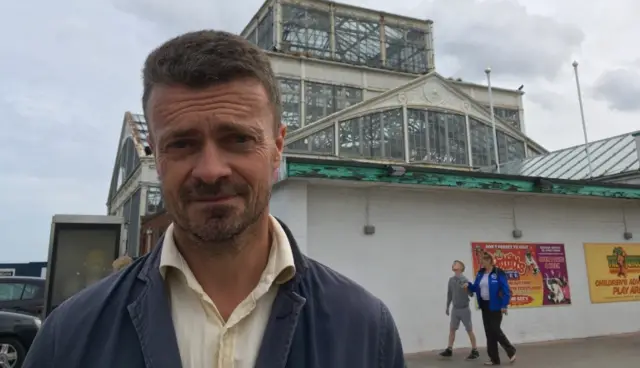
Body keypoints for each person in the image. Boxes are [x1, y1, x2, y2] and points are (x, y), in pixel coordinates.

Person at [24, 30, 405, 368]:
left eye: (237, 139)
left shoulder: (366, 332)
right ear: (155, 154)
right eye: (183, 143)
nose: (210, 170)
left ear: (277, 148)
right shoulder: (69, 338)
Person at [467, 252, 516, 366]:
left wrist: (504, 305)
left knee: (495, 330)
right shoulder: (480, 273)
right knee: (489, 332)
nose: (481, 262)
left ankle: (510, 350)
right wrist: (468, 285)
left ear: (489, 260)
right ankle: (494, 359)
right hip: (484, 305)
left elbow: (506, 291)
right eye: (481, 260)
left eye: (483, 260)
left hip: (496, 305)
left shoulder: (498, 273)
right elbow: (475, 287)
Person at [439, 260, 479, 360]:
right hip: (455, 309)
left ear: (461, 267)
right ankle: (449, 349)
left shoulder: (465, 280)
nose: (454, 265)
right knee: (452, 329)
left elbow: (471, 294)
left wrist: (467, 289)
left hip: (464, 309)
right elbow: (449, 294)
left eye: (456, 264)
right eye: (453, 264)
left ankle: (475, 350)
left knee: (469, 330)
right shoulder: (451, 280)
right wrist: (448, 306)